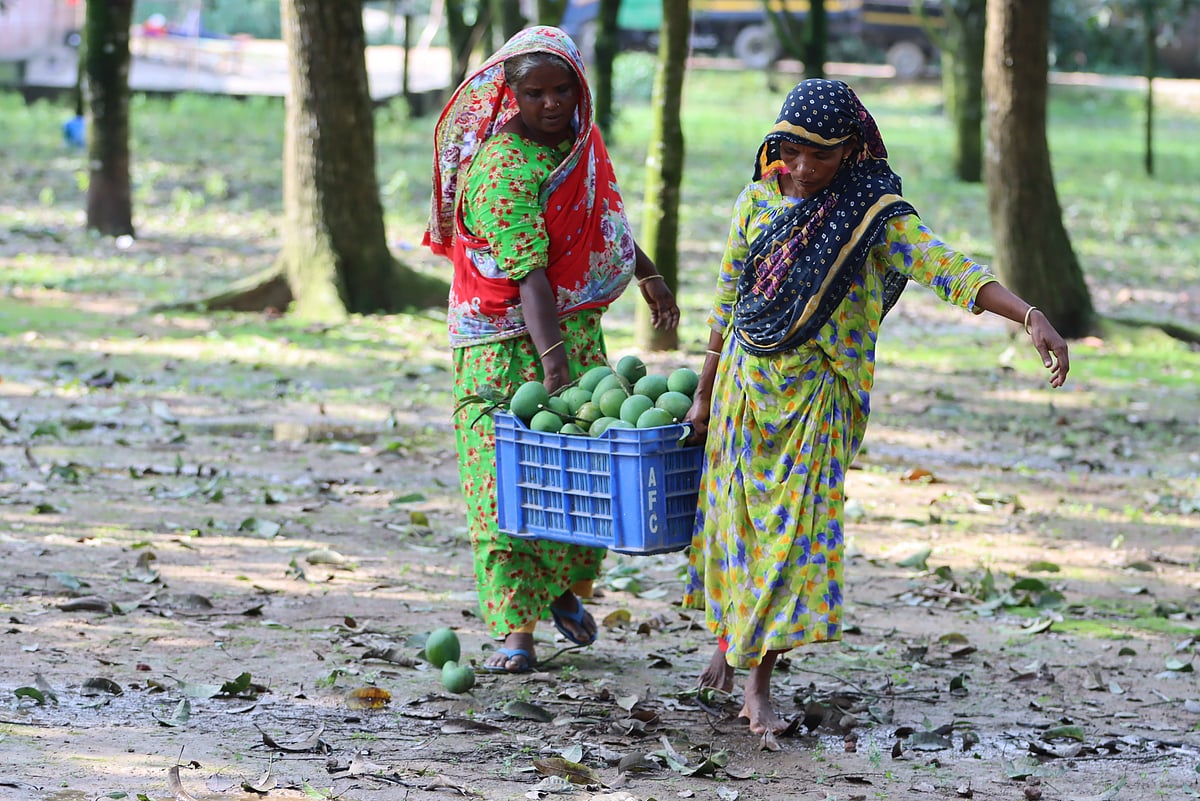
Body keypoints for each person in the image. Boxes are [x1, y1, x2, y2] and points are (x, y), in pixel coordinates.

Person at [681, 78, 1070, 735]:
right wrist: (703, 391)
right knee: (739, 523)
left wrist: (1028, 315)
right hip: (746, 389)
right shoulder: (754, 204)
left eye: (823, 156)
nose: (804, 169)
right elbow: (727, 300)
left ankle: (758, 679)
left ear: (854, 152)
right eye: (794, 151)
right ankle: (730, 637)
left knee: (796, 535)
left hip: (819, 398)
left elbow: (945, 266)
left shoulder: (872, 218)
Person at [423, 26, 679, 675]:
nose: (549, 102)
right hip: (504, 351)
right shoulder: (502, 168)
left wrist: (646, 273)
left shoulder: (579, 147)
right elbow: (528, 272)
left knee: (578, 484)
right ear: (511, 94)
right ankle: (517, 634)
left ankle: (563, 587)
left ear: (579, 86)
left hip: (572, 337)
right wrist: (556, 368)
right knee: (501, 491)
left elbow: (602, 222)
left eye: (561, 88)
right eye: (534, 92)